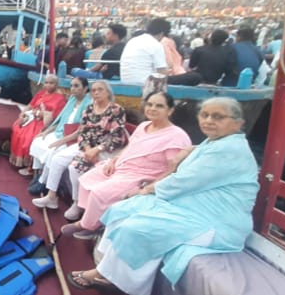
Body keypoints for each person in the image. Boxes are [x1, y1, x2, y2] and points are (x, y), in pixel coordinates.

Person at [68, 98, 259, 295]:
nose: (209, 120)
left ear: (238, 123)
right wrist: (190, 151)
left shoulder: (228, 149)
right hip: (191, 208)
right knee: (121, 209)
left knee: (136, 228)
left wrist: (145, 190)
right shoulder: (215, 142)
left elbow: (182, 181)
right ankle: (107, 270)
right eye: (205, 115)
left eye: (218, 117)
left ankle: (121, 284)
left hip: (217, 222)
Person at [59, 91, 192, 240]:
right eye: (150, 104)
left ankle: (88, 226)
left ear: (170, 110)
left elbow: (173, 169)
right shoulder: (144, 125)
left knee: (99, 193)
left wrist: (150, 186)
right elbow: (130, 147)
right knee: (86, 179)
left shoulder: (176, 136)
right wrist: (114, 160)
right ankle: (93, 217)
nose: (153, 108)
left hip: (142, 175)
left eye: (159, 106)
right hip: (123, 166)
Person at [32, 80, 128, 220]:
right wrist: (88, 148)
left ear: (108, 92)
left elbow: (117, 136)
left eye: (100, 89)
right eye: (94, 90)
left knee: (74, 168)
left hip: (106, 148)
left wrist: (97, 149)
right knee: (57, 159)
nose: (96, 92)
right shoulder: (89, 108)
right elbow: (82, 132)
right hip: (87, 146)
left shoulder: (116, 110)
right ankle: (51, 196)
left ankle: (77, 204)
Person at [25, 77, 92, 177]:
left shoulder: (89, 105)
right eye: (71, 86)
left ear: (85, 88)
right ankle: (37, 173)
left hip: (73, 138)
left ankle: (43, 180)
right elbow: (60, 121)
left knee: (52, 151)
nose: (72, 88)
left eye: (76, 86)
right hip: (60, 131)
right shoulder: (72, 100)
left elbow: (81, 130)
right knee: (37, 141)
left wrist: (62, 140)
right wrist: (46, 132)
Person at [9, 74, 67, 169]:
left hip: (44, 122)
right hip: (32, 117)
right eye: (46, 82)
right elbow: (30, 105)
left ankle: (30, 165)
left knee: (28, 136)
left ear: (56, 84)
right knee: (17, 126)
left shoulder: (60, 99)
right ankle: (19, 160)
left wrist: (40, 113)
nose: (48, 85)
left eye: (51, 83)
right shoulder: (41, 93)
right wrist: (22, 113)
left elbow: (55, 117)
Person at [119, 18, 169, 84]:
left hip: (126, 81)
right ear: (162, 34)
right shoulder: (156, 44)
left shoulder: (133, 40)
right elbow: (162, 72)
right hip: (146, 84)